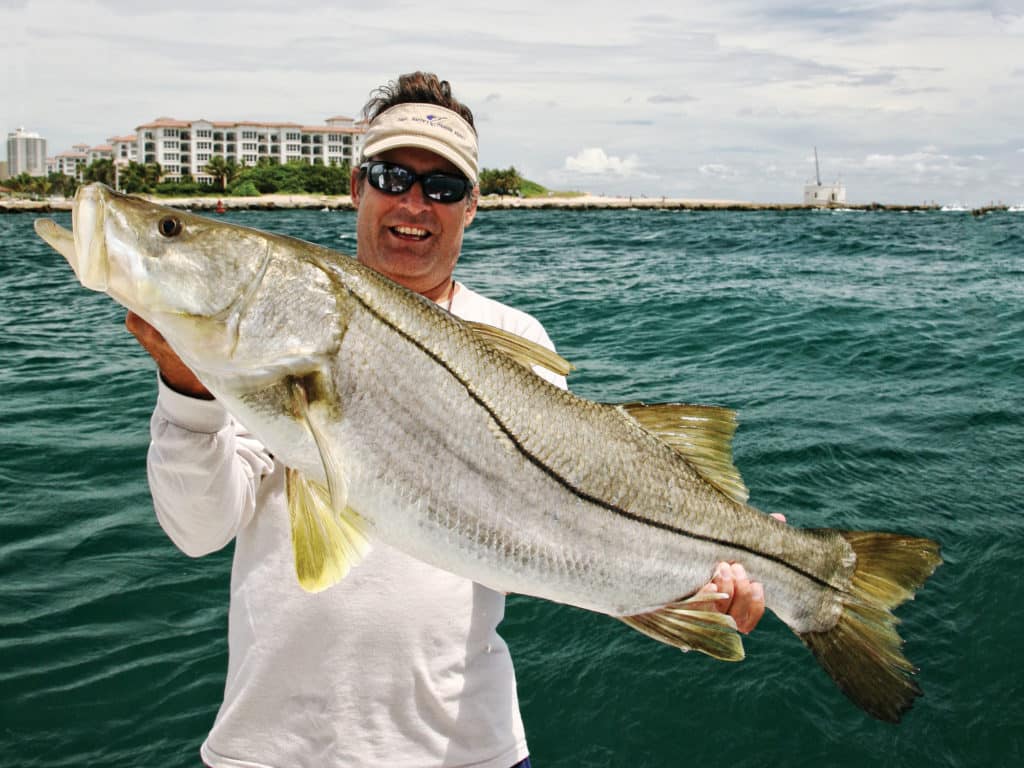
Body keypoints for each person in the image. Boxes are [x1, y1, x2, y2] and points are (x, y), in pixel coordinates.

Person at [125, 72, 772, 768]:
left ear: (471, 208)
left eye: (443, 188)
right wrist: (187, 388)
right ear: (356, 187)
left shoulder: (514, 338)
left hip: (465, 751)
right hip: (271, 750)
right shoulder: (287, 323)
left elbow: (571, 536)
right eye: (392, 175)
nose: (414, 203)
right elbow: (197, 531)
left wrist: (701, 579)